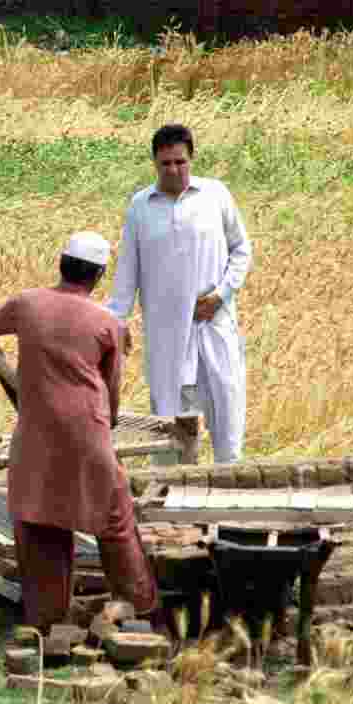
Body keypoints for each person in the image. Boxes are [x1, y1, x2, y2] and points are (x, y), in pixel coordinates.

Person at [0, 232, 159, 632]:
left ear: (61, 263)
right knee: (114, 519)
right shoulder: (109, 323)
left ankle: (49, 623)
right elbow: (110, 396)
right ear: (98, 276)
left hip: (35, 438)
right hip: (88, 437)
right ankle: (137, 605)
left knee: (41, 523)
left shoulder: (26, 304)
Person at [106, 123, 252, 464]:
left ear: (191, 158)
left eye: (180, 162)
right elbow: (127, 271)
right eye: (166, 164)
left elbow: (241, 249)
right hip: (167, 335)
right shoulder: (141, 206)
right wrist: (116, 321)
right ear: (154, 164)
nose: (174, 170)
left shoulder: (215, 195)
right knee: (170, 426)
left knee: (227, 416)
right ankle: (173, 501)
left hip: (214, 327)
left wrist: (221, 295)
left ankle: (227, 496)